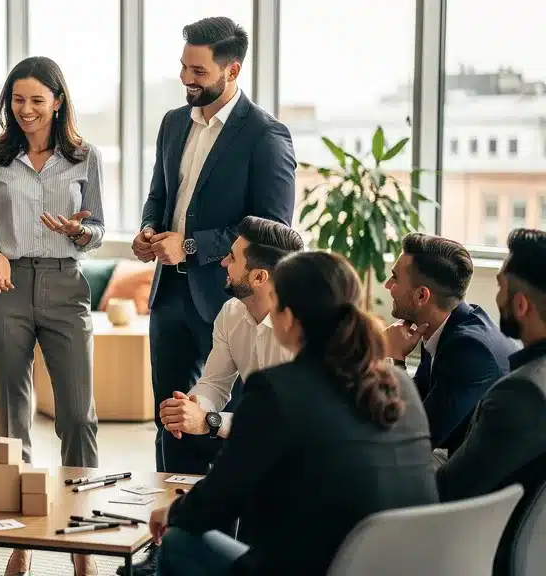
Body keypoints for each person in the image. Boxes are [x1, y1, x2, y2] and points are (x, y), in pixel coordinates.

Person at [150, 251, 438, 575]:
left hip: (317, 568)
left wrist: (172, 513)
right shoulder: (400, 383)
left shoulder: (277, 390)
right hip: (404, 565)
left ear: (286, 317)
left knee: (178, 541)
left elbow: (218, 501)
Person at [128, 18, 296, 573]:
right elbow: (160, 194)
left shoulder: (265, 136)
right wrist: (151, 233)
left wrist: (194, 246)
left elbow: (274, 232)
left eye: (198, 70)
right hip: (168, 294)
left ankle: (216, 546)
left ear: (232, 69)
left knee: (221, 419)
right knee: (174, 416)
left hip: (223, 296)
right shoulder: (175, 122)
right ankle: (171, 543)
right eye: (183, 66)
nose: (186, 77)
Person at [0, 55, 105, 576]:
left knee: (77, 416)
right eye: (17, 100)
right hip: (5, 285)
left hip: (67, 284)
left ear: (58, 101)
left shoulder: (85, 157)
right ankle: (21, 538)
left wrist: (77, 231)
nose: (26, 110)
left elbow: (98, 230)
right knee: (11, 420)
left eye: (37, 101)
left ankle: (82, 541)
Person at [437, 229, 546, 574]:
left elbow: (447, 492)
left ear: (520, 304)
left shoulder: (522, 394)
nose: (496, 297)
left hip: (486, 558)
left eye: (500, 286)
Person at [159, 217, 302, 443]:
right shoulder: (231, 313)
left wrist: (210, 421)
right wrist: (190, 407)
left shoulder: (307, 329)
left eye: (233, 257)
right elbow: (215, 383)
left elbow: (286, 420)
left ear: (258, 277)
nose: (224, 262)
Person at [383, 232, 516, 454]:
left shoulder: (470, 350)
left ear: (421, 296)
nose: (388, 285)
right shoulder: (441, 326)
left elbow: (412, 440)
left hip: (476, 483)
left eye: (394, 278)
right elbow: (416, 404)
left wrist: (396, 360)